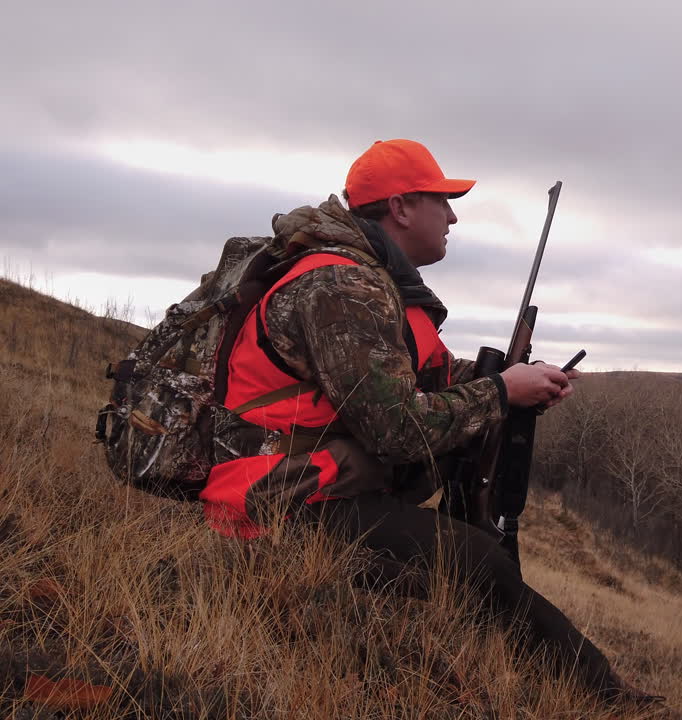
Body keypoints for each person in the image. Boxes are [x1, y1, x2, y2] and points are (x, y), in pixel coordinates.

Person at [198, 138, 646, 704]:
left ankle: (566, 680)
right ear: (402, 207)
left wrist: (518, 382)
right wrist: (501, 393)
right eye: (442, 200)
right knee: (478, 562)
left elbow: (417, 373)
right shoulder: (343, 286)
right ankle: (604, 698)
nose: (453, 215)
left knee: (474, 555)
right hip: (277, 502)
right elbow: (397, 429)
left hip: (317, 484)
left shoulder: (375, 281)